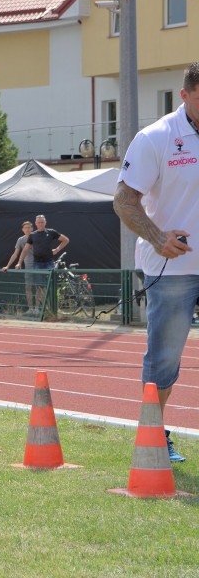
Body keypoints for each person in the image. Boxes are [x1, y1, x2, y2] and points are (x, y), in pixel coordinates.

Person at [113, 60, 199, 463]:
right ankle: (153, 432)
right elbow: (123, 201)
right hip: (172, 268)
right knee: (165, 356)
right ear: (184, 96)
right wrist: (157, 237)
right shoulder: (156, 138)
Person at [17, 214, 69, 316]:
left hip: (49, 263)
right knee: (39, 287)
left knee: (52, 286)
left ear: (45, 223)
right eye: (38, 222)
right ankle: (43, 308)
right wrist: (19, 262)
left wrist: (57, 250)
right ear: (36, 223)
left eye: (42, 222)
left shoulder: (51, 232)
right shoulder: (32, 235)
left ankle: (54, 308)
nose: (40, 224)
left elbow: (65, 240)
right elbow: (25, 249)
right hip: (37, 264)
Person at [2, 221, 37, 313]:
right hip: (28, 267)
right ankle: (31, 308)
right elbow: (15, 254)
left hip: (39, 266)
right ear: (23, 230)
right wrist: (8, 266)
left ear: (32, 228)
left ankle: (38, 309)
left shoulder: (37, 237)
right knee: (28, 287)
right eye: (26, 227)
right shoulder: (20, 240)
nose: (28, 229)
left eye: (29, 227)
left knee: (39, 287)